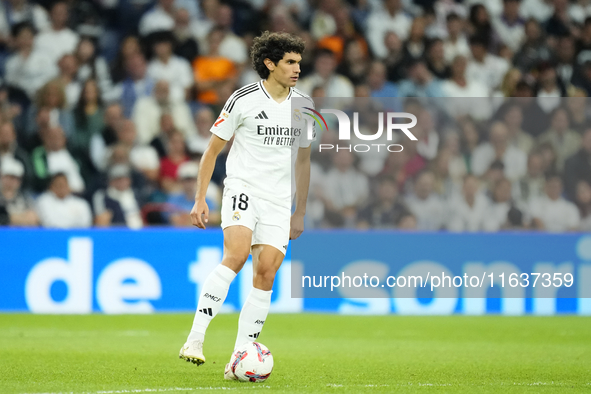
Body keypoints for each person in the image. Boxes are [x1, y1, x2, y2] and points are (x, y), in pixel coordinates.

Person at [178, 31, 312, 381]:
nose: (297, 68)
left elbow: (303, 162)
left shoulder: (304, 106)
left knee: (266, 274)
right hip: (243, 188)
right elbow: (212, 151)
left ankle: (239, 356)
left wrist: (299, 211)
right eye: (290, 62)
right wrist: (200, 198)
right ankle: (194, 339)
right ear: (270, 64)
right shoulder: (243, 99)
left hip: (279, 200)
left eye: (299, 62)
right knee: (236, 255)